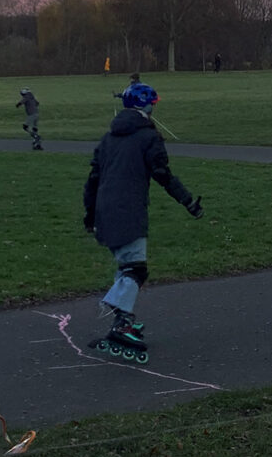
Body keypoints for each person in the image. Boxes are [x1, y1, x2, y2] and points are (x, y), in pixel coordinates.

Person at [83, 82, 204, 361]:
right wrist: (188, 202)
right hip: (129, 211)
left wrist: (90, 214)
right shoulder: (149, 137)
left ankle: (122, 318)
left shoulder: (108, 137)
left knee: (127, 266)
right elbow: (163, 174)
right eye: (153, 104)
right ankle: (121, 321)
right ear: (145, 106)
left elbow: (92, 180)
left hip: (105, 210)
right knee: (136, 269)